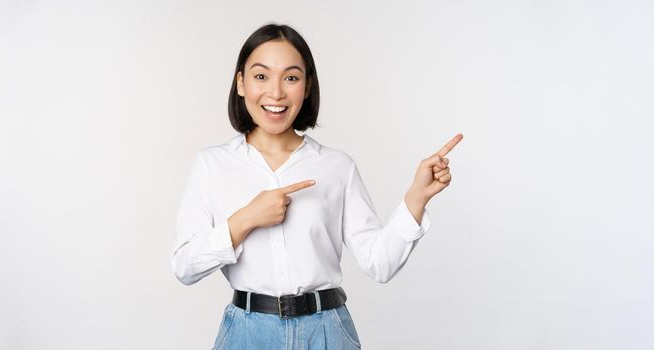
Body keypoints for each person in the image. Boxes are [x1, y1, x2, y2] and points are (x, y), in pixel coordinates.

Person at [171, 23, 462, 349]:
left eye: (291, 78)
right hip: (247, 335)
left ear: (307, 86)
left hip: (327, 332)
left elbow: (380, 264)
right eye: (261, 76)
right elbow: (185, 267)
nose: (276, 92)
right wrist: (246, 219)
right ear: (240, 83)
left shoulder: (337, 167)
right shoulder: (211, 165)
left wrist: (416, 198)